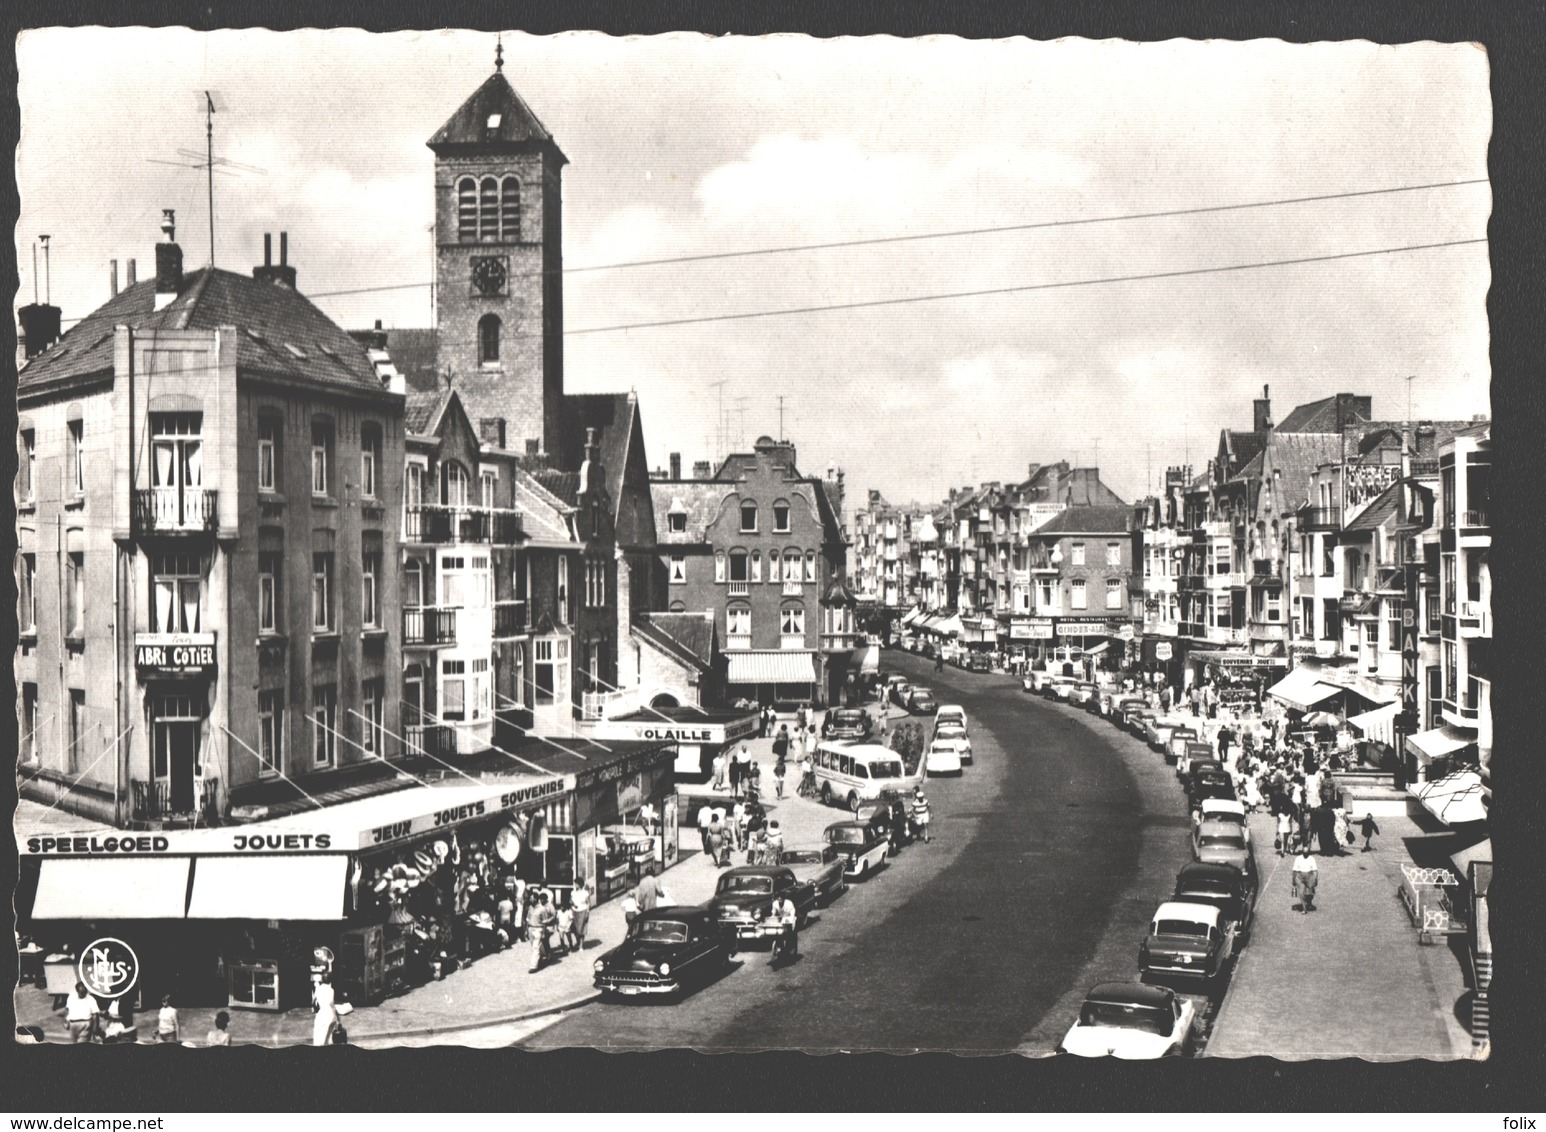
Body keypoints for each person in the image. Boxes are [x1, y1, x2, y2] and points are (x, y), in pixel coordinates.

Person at [768, 891, 799, 963]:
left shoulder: (789, 903)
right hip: (781, 920)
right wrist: (772, 918)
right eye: (778, 897)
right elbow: (773, 913)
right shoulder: (775, 903)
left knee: (790, 935)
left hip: (790, 919)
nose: (779, 899)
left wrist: (790, 919)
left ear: (784, 898)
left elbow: (792, 913)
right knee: (778, 932)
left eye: (781, 897)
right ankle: (779, 946)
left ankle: (791, 950)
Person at [312, 975, 339, 1046]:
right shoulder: (331, 990)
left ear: (322, 980)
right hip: (329, 1014)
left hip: (320, 1014)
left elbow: (314, 1002)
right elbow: (331, 1004)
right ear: (330, 981)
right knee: (328, 1037)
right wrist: (336, 1016)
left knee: (319, 1035)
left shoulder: (318, 989)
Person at [1291, 847, 1319, 913]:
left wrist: (1316, 879)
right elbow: (1295, 870)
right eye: (1304, 853)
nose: (1305, 855)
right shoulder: (1298, 859)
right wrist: (1293, 880)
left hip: (1309, 876)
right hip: (1300, 877)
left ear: (1308, 853)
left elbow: (1315, 870)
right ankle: (1304, 908)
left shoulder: (1312, 859)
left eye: (1306, 853)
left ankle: (1309, 903)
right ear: (1302, 852)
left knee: (1311, 892)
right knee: (1301, 893)